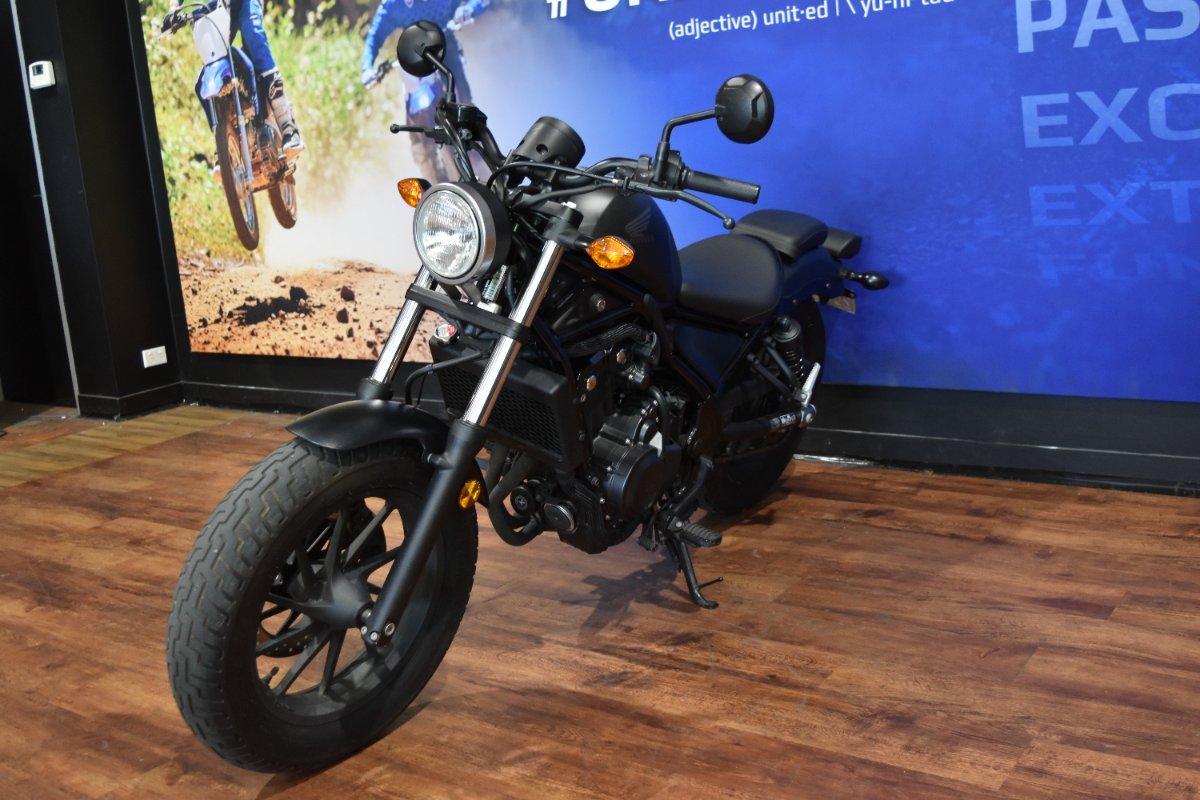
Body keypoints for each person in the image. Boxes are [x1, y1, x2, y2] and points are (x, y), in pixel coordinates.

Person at [360, 0, 491, 182]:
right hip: (415, 61)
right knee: (414, 102)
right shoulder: (394, 4)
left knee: (464, 106)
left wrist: (470, 9)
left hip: (447, 51)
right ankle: (422, 154)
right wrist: (367, 68)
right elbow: (375, 35)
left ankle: (482, 163)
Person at [175, 0, 305, 157]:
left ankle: (287, 126)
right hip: (215, 7)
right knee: (210, 59)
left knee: (253, 34)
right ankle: (222, 146)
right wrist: (173, 8)